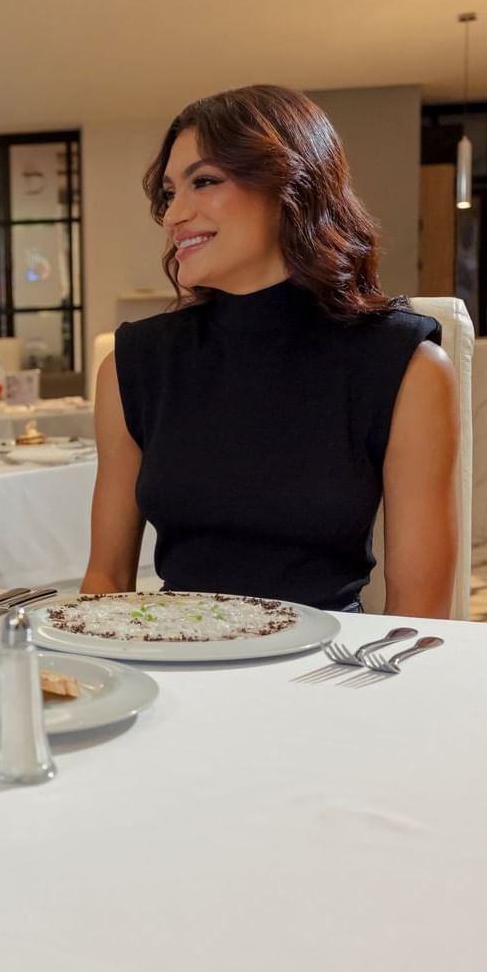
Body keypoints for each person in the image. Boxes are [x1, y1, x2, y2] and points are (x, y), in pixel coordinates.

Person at [82, 85, 458, 615]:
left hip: (325, 676)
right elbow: (106, 575)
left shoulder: (405, 365)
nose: (173, 216)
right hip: (173, 666)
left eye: (204, 182)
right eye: (169, 194)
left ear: (291, 185)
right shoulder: (133, 364)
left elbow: (418, 611)